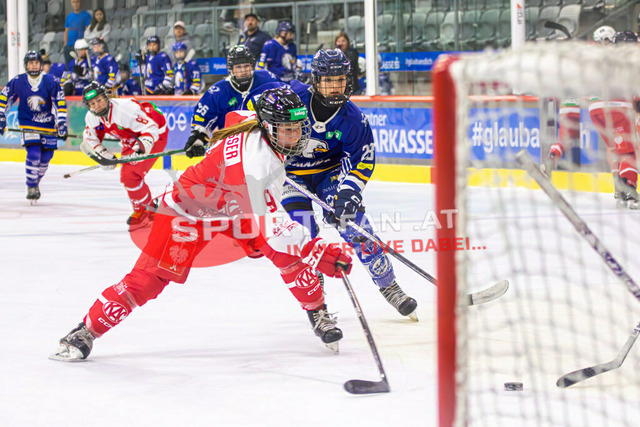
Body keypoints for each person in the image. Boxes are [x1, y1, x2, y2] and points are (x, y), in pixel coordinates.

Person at [49, 87, 353, 362]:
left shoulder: (253, 123)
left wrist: (206, 141)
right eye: (287, 130)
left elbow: (235, 116)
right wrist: (318, 251)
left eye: (298, 127)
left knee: (284, 256)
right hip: (187, 214)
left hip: (234, 207)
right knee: (148, 281)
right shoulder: (257, 166)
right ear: (269, 127)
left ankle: (317, 312)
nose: (296, 136)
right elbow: (276, 228)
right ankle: (85, 331)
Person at [246, 49, 418, 318]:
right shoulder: (293, 96)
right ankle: (316, 301)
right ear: (315, 80)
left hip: (330, 174)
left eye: (340, 80)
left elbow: (363, 159)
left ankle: (389, 286)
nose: (335, 86)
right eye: (328, 80)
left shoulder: (353, 118)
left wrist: (348, 194)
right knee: (303, 232)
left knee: (356, 226)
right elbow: (251, 107)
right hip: (291, 176)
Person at [549, 29, 640, 209]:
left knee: (615, 148)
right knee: (629, 151)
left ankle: (619, 188)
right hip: (617, 107)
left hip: (595, 109)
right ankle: (629, 189)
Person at [78, 82, 168, 228]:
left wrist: (143, 145)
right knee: (127, 177)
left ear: (106, 97)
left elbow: (151, 127)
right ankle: (148, 210)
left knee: (130, 175)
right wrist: (105, 156)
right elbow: (90, 139)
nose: (97, 105)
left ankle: (144, 212)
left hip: (155, 134)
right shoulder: (92, 116)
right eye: (92, 103)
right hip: (130, 138)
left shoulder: (125, 110)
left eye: (99, 100)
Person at [182, 44, 280, 158]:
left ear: (252, 66)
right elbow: (201, 121)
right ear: (231, 69)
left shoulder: (268, 79)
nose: (243, 71)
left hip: (264, 145)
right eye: (238, 67)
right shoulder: (217, 92)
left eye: (246, 66)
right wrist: (198, 140)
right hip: (231, 148)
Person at [0, 51, 67, 202]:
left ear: (40, 64)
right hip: (28, 123)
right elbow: (5, 98)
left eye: (36, 62)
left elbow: (59, 102)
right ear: (26, 65)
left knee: (46, 158)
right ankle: (31, 186)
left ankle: (35, 183)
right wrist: (1, 114)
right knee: (34, 152)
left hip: (47, 125)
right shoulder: (18, 81)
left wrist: (62, 122)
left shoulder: (51, 80)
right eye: (31, 63)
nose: (34, 65)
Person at [63, 0, 92, 66]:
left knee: (79, 66)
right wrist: (65, 44)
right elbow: (66, 31)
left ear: (80, 2)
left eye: (77, 2)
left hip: (79, 47)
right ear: (71, 3)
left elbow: (88, 31)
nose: (75, 4)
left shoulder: (86, 15)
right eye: (73, 2)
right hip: (68, 46)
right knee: (68, 67)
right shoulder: (69, 16)